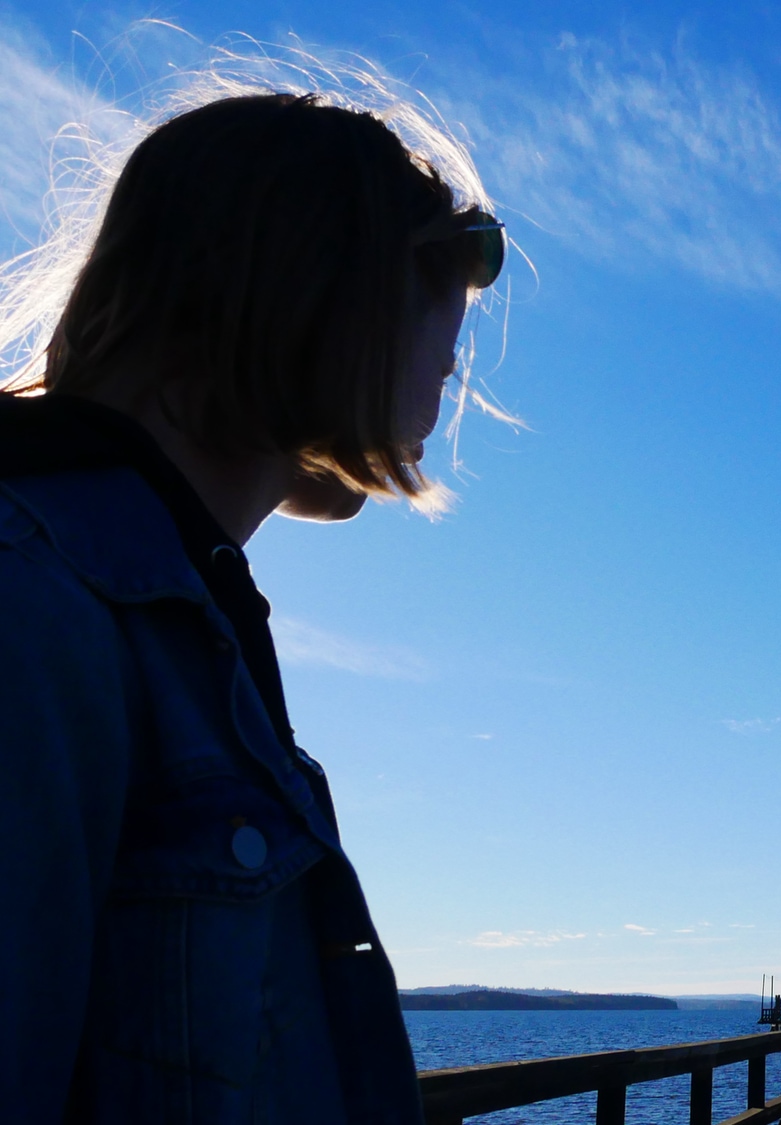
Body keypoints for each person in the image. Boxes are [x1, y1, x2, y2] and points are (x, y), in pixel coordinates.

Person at [0, 91, 504, 1122]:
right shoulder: (37, 608)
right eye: (436, 331)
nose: (451, 368)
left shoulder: (170, 616)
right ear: (326, 298)